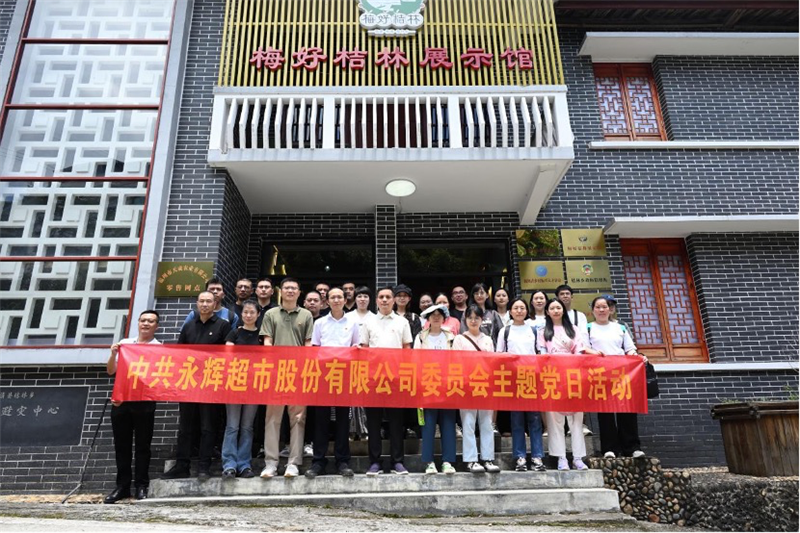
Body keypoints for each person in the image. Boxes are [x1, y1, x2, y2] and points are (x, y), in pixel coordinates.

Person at [163, 291, 232, 481]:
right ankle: (182, 465)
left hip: (211, 383)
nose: (205, 304)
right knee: (185, 427)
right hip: (189, 383)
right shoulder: (188, 326)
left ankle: (204, 466)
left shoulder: (223, 326)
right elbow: (179, 353)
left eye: (209, 301)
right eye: (202, 301)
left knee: (208, 427)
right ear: (197, 303)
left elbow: (227, 356)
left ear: (215, 303)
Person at [259, 278, 314, 478]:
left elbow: (308, 344)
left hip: (298, 373)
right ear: (280, 291)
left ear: (299, 292)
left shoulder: (306, 315)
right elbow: (267, 342)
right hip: (276, 373)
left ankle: (293, 463)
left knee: (298, 419)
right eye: (287, 288)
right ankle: (271, 463)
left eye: (294, 288)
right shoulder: (271, 314)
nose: (290, 291)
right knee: (272, 419)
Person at [104, 310, 161, 503]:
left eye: (150, 321)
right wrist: (113, 354)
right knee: (122, 446)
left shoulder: (159, 348)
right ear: (138, 323)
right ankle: (122, 487)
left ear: (156, 326)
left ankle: (141, 486)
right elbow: (111, 371)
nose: (146, 324)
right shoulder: (125, 344)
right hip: (121, 402)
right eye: (143, 320)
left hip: (144, 402)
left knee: (143, 446)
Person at [306, 287, 360, 478]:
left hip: (344, 375)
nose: (336, 300)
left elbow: (356, 347)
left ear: (345, 300)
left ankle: (342, 461)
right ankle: (318, 461)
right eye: (333, 297)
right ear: (327, 301)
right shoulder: (320, 323)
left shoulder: (353, 323)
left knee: (343, 419)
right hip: (323, 375)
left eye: (339, 297)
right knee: (321, 418)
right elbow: (315, 348)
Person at [360, 286, 413, 476]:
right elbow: (364, 349)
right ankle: (375, 462)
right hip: (373, 379)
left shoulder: (402, 322)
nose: (384, 300)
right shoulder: (368, 322)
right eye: (381, 297)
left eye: (388, 297)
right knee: (373, 423)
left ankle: (397, 461)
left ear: (393, 300)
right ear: (376, 300)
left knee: (396, 422)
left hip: (395, 379)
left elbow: (407, 349)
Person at [585, 296, 645, 459]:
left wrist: (638, 357)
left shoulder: (620, 328)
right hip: (600, 375)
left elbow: (630, 349)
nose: (601, 310)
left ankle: (632, 447)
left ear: (610, 309)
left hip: (622, 374)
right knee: (605, 413)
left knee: (627, 409)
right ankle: (609, 448)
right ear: (593, 310)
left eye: (604, 307)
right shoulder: (588, 328)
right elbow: (584, 349)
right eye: (598, 307)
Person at [537, 298, 589, 471]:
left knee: (576, 420)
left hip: (573, 377)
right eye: (552, 308)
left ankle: (578, 458)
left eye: (558, 307)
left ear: (563, 310)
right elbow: (542, 354)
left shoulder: (573, 329)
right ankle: (561, 457)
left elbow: (580, 351)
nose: (556, 311)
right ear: (547, 312)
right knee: (554, 420)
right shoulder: (543, 331)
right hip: (553, 377)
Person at [496, 298, 546, 472]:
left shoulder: (534, 330)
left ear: (527, 310)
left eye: (522, 308)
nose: (519, 311)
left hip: (532, 378)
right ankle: (520, 457)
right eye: (516, 308)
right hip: (513, 379)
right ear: (510, 311)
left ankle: (537, 456)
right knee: (516, 419)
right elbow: (499, 354)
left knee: (534, 419)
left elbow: (540, 353)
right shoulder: (505, 331)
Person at [453, 305, 501, 474]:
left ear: (482, 320)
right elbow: (457, 363)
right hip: (467, 385)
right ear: (465, 320)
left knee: (487, 423)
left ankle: (488, 458)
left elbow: (492, 362)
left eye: (477, 318)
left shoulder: (487, 339)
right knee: (468, 423)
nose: (473, 321)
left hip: (485, 384)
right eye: (470, 318)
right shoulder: (459, 339)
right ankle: (471, 460)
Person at [414, 304, 457, 475]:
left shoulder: (451, 336)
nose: (436, 317)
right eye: (433, 315)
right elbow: (415, 361)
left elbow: (457, 359)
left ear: (444, 318)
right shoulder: (420, 337)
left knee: (448, 424)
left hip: (447, 385)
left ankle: (448, 461)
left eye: (439, 315)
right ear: (428, 319)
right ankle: (429, 462)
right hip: (428, 385)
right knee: (428, 425)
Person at [220, 301, 261, 480]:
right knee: (232, 426)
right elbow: (228, 356)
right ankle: (229, 464)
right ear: (241, 314)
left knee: (247, 427)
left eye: (252, 312)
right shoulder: (234, 333)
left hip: (255, 385)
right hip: (234, 384)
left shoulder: (262, 336)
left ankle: (244, 464)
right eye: (245, 312)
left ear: (258, 315)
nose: (248, 315)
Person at [393, 283, 422, 438]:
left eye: (404, 296)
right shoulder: (389, 316)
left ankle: (411, 426)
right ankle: (394, 427)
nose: (402, 298)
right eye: (399, 296)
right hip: (392, 362)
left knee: (410, 393)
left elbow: (417, 339)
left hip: (409, 362)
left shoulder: (414, 318)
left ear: (409, 298)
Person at [346, 285, 374, 440]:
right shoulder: (347, 317)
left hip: (369, 363)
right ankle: (351, 429)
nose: (362, 299)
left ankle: (364, 429)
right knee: (351, 398)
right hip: (350, 362)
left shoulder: (374, 318)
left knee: (365, 396)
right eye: (359, 296)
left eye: (365, 296)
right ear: (354, 298)